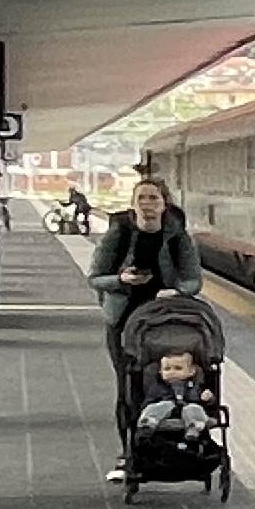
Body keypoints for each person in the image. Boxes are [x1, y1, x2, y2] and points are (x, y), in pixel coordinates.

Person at [93, 172, 199, 478]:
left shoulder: (178, 236)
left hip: (164, 321)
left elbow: (193, 279)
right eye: (142, 198)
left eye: (154, 198)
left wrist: (177, 291)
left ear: (165, 204)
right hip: (124, 321)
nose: (147, 204)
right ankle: (129, 452)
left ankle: (162, 447)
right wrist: (121, 280)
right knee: (128, 386)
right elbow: (95, 277)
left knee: (161, 383)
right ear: (132, 204)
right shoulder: (119, 233)